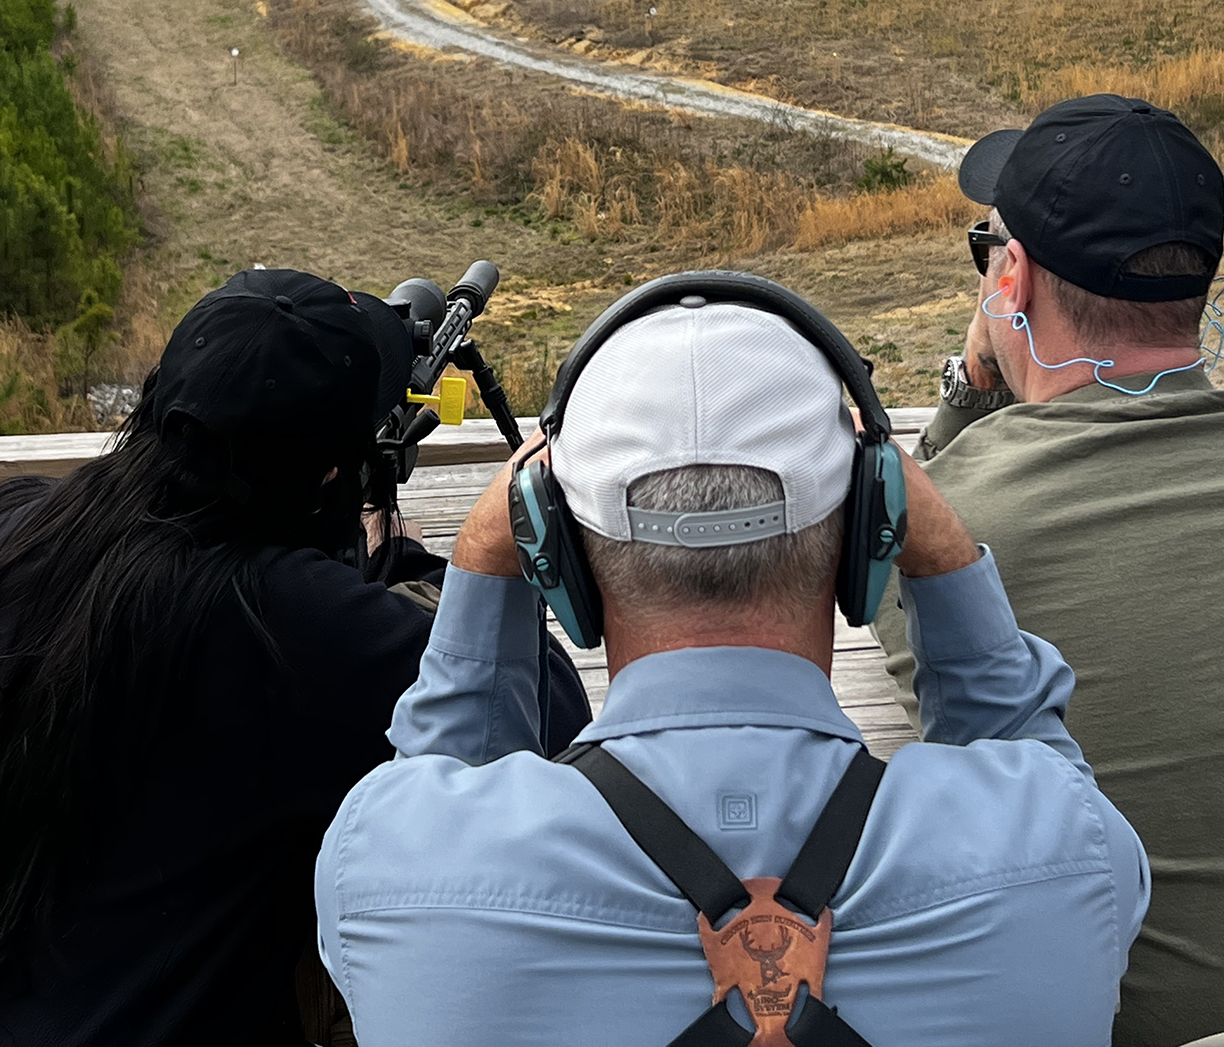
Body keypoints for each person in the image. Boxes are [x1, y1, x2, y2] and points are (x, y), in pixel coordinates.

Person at [316, 277, 1148, 1047]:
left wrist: (480, 561)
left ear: (558, 558)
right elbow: (1030, 767)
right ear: (869, 535)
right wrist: (947, 554)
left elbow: (438, 797)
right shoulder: (1066, 848)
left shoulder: (387, 859)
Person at [0, 268, 588, 1047]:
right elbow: (546, 706)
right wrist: (398, 561)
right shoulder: (283, 628)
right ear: (326, 478)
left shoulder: (29, 523)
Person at [872, 93, 1224, 1047]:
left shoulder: (958, 529)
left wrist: (969, 384)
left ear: (1013, 278)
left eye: (987, 247)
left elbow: (919, 509)